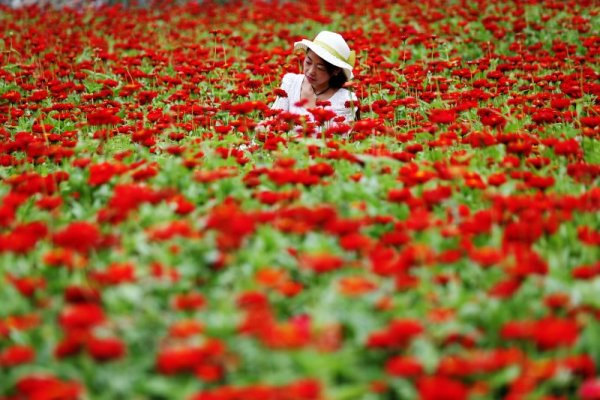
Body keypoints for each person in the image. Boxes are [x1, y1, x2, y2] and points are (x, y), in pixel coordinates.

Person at [270, 31, 360, 127]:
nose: (311, 71)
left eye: (320, 68)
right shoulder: (291, 83)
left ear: (336, 71)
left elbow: (339, 138)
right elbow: (274, 122)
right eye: (308, 62)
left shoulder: (345, 101)